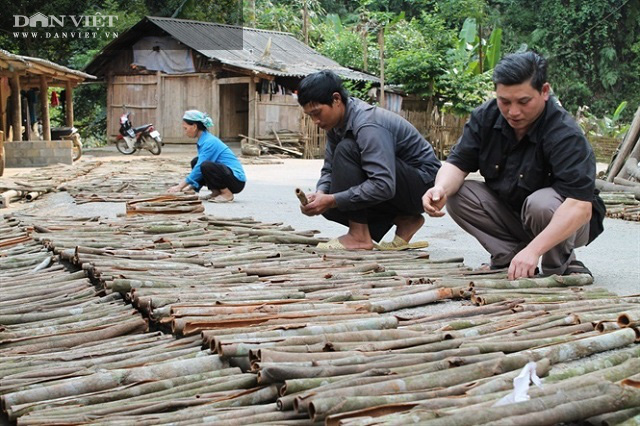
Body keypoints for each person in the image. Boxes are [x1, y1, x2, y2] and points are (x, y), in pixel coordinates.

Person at [422, 51, 605, 280]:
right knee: (458, 194)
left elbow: (580, 207)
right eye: (504, 101)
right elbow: (457, 164)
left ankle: (560, 267)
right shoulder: (485, 117)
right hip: (513, 214)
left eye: (523, 101)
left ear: (544, 91)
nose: (513, 111)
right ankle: (508, 256)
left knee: (542, 204)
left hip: (566, 222)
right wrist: (440, 188)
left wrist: (534, 250)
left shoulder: (565, 134)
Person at [297, 70, 441, 250]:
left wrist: (333, 199)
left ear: (336, 99)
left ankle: (359, 236)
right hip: (399, 186)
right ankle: (405, 220)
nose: (315, 121)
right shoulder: (335, 126)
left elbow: (383, 184)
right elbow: (329, 170)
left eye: (317, 113)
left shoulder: (367, 124)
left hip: (423, 187)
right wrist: (321, 193)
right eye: (310, 115)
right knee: (329, 202)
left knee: (347, 151)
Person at [168, 110, 246, 202]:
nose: (185, 132)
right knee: (196, 161)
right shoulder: (204, 139)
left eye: (185, 128)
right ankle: (216, 192)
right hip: (226, 175)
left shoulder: (209, 142)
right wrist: (192, 187)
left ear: (194, 126)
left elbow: (200, 168)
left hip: (236, 181)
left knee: (205, 165)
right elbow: (199, 166)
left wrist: (180, 186)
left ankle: (227, 194)